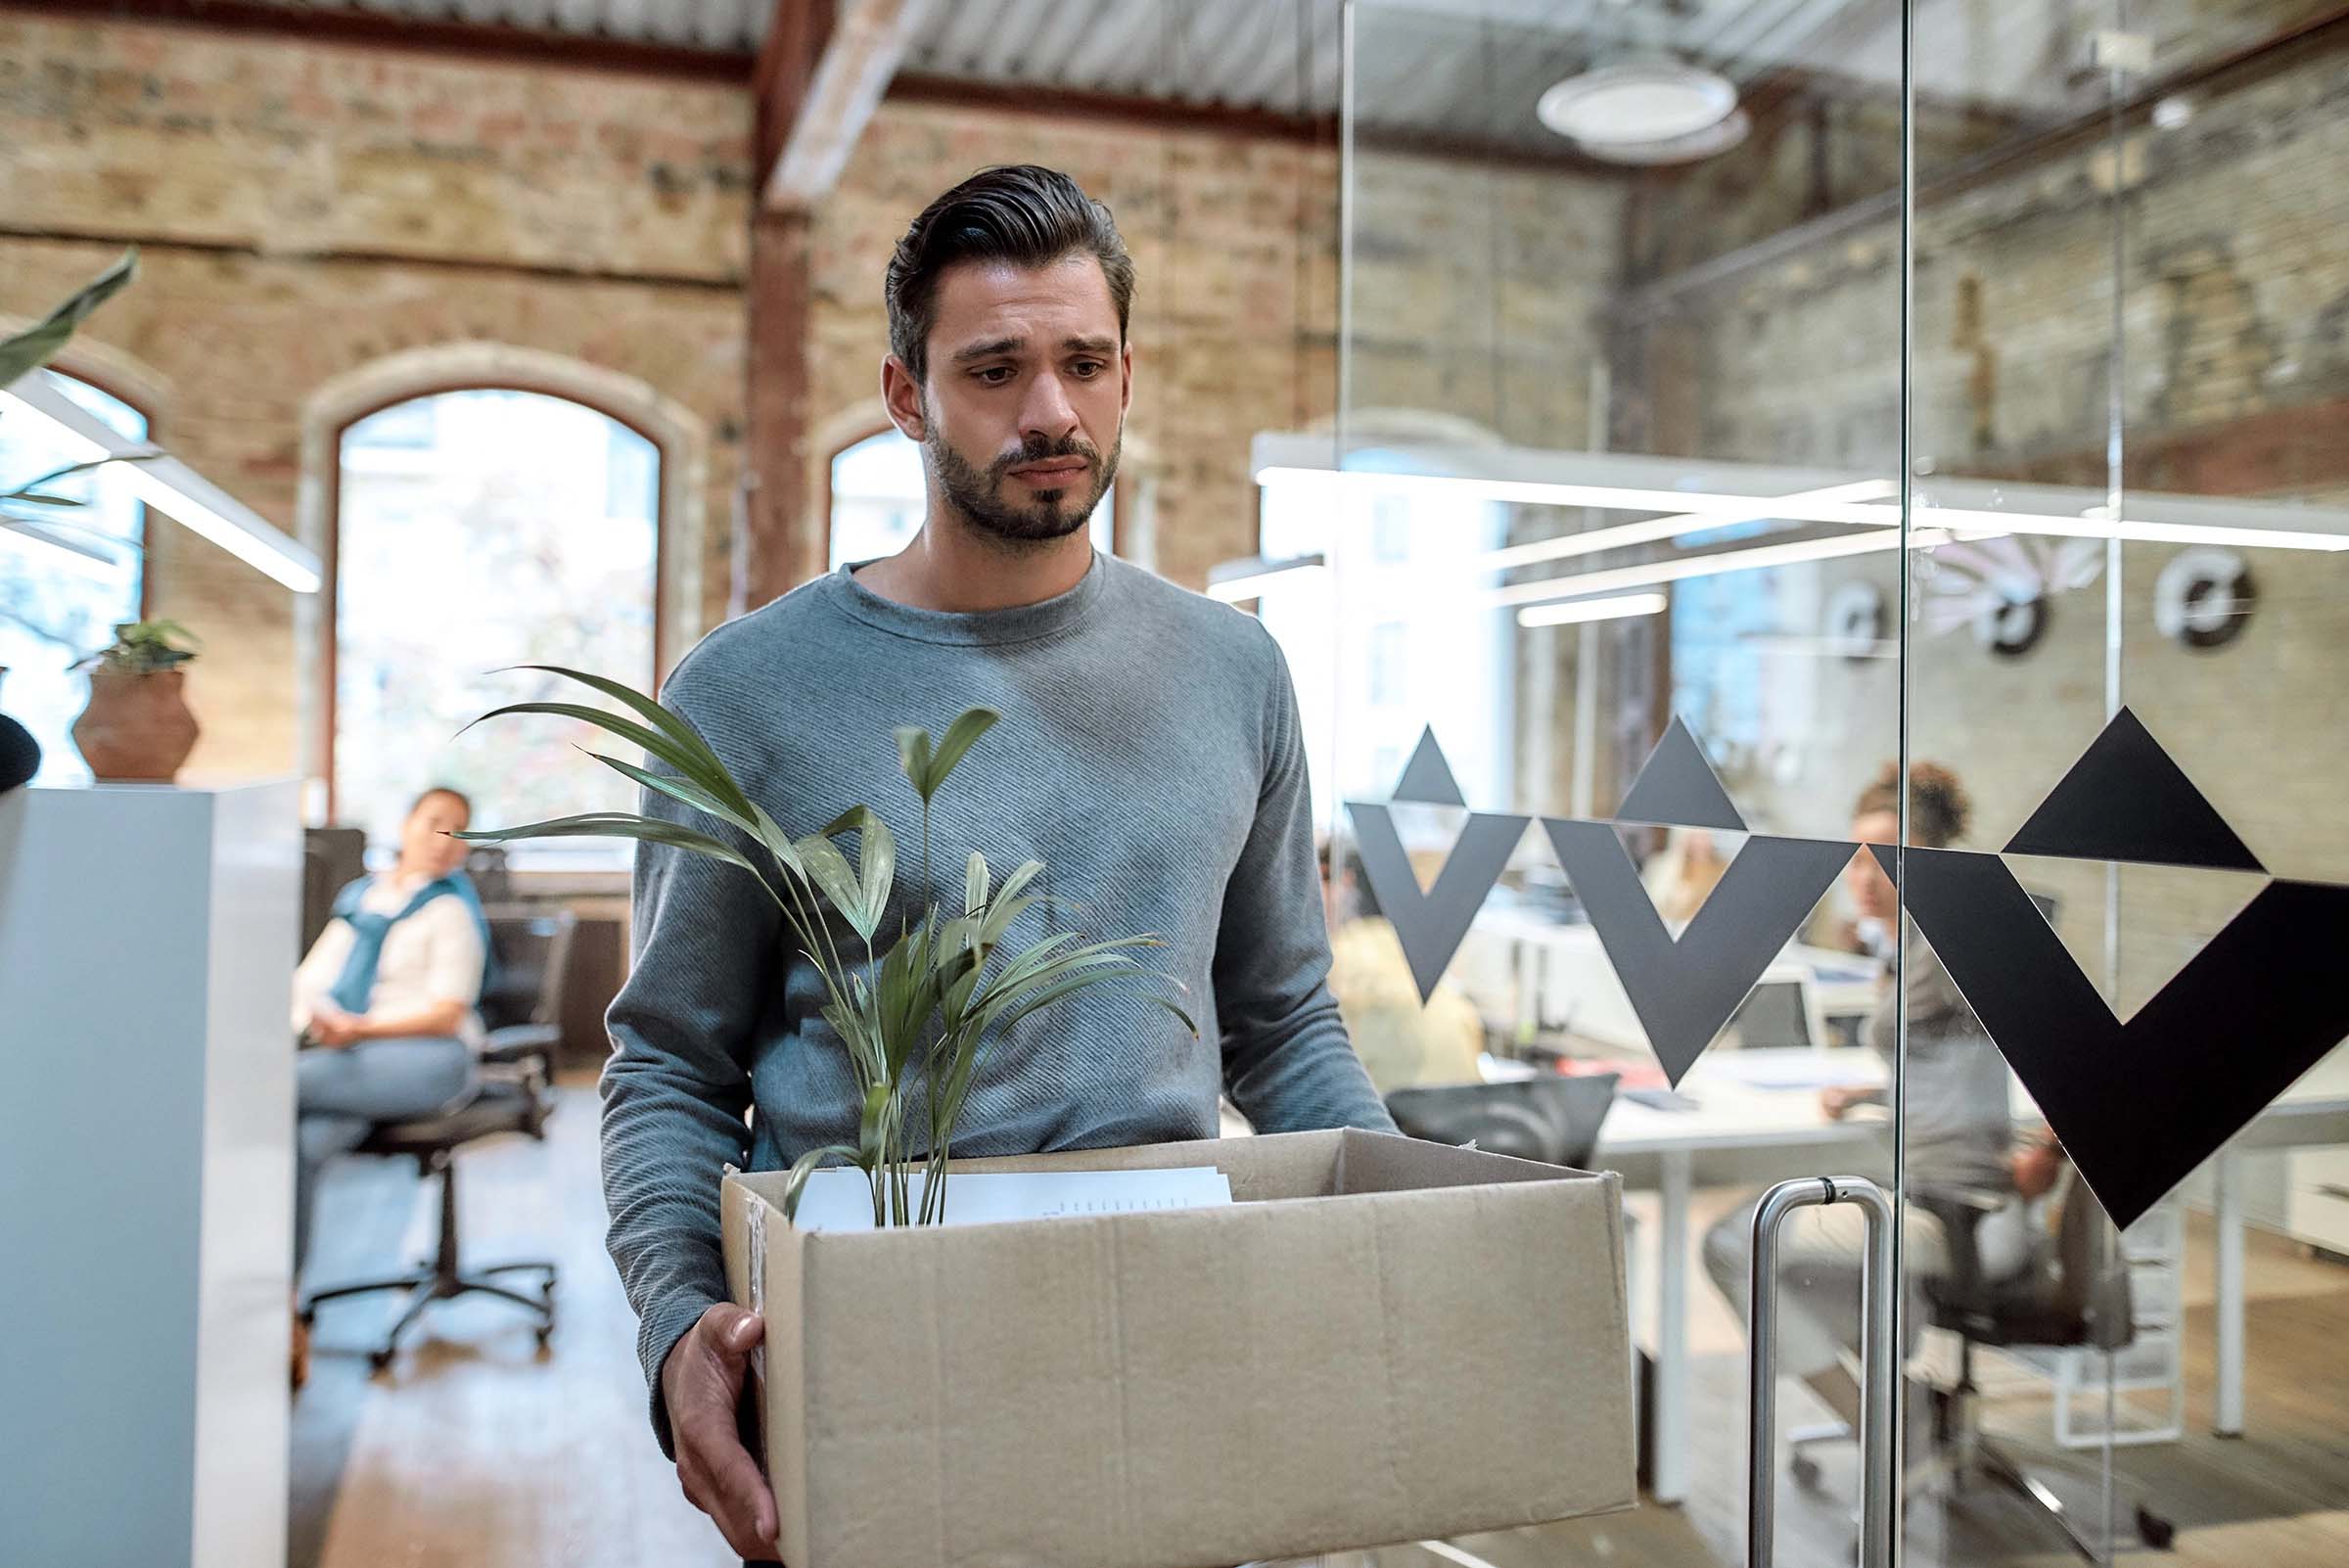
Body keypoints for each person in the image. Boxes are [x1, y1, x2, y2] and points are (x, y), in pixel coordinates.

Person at [605, 165, 1396, 1561]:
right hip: (867, 1367)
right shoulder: (746, 692)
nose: (1052, 410)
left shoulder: (1235, 672)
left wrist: (1407, 1229)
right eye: (996, 368)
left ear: (1128, 373)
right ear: (907, 396)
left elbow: (1282, 1020)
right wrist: (679, 1331)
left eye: (1085, 363)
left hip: (1174, 1348)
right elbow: (670, 1061)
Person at [1701, 761, 2039, 1439]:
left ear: (1927, 864)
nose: (1862, 877)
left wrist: (2052, 1144)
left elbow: (2061, 1040)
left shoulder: (1952, 945)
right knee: (1793, 1255)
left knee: (1740, 1241)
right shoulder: (1916, 947)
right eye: (1855, 860)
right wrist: (1875, 1089)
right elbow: (1956, 1062)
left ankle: (1887, 1430)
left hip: (1958, 1210)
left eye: (1881, 859)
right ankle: (1898, 1412)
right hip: (1923, 1187)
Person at [290, 787, 490, 1311]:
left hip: (430, 1056)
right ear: (405, 826)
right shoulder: (363, 899)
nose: (445, 839)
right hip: (351, 1054)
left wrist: (357, 1030)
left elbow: (447, 1012)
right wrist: (317, 1022)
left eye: (459, 830)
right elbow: (309, 981)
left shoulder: (450, 909)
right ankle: (286, 1308)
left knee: (283, 1086)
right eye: (434, 822)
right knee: (305, 1142)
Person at [1320, 840, 1486, 1093]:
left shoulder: (1339, 956)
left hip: (1388, 1118)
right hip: (1457, 1116)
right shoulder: (1414, 951)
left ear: (1344, 884)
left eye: (1318, 879)